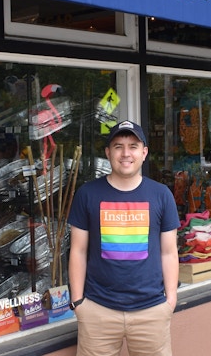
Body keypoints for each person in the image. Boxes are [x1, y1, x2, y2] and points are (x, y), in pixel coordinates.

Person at [68, 120, 179, 356]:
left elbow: (169, 252)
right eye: (118, 146)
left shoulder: (161, 195)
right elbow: (77, 250)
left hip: (151, 310)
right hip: (98, 310)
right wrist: (78, 302)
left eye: (133, 146)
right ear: (108, 152)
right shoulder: (87, 194)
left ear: (144, 152)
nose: (126, 153)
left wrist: (170, 301)